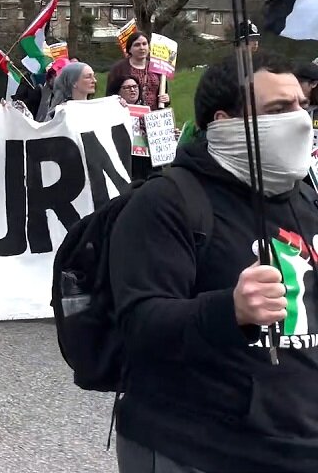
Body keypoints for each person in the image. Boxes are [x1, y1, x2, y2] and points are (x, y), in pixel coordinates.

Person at [110, 52, 318, 473]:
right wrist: (231, 310)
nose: (299, 119)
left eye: (302, 105)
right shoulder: (165, 202)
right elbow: (138, 325)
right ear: (224, 122)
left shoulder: (305, 197)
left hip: (296, 447)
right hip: (198, 450)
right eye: (278, 109)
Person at [108, 32, 170, 110]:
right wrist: (118, 101)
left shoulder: (157, 66)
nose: (141, 48)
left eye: (144, 44)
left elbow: (164, 93)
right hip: (128, 114)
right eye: (137, 45)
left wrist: (166, 99)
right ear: (129, 49)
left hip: (154, 116)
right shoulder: (119, 68)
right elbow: (110, 95)